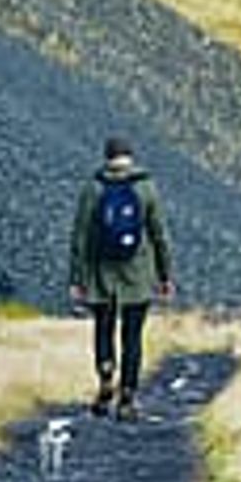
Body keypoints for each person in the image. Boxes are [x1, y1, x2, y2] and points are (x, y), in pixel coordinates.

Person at [66, 135, 174, 416]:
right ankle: (127, 397)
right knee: (132, 335)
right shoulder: (146, 187)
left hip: (100, 274)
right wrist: (165, 275)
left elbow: (79, 236)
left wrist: (76, 279)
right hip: (137, 275)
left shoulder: (93, 188)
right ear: (130, 156)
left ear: (107, 157)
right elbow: (159, 234)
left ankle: (105, 379)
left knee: (103, 329)